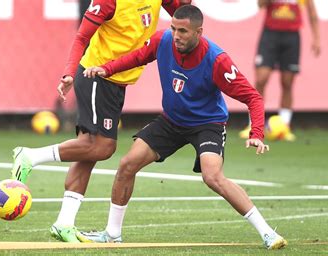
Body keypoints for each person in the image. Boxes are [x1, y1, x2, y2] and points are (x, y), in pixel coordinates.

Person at [79, 5, 288, 249]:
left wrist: (257, 134)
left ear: (199, 32)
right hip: (171, 121)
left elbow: (253, 97)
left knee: (212, 177)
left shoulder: (217, 60)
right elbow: (136, 57)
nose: (176, 35)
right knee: (127, 165)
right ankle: (112, 233)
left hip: (206, 124)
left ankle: (267, 233)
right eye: (173, 28)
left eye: (183, 31)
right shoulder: (163, 40)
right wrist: (107, 68)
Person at [10, 0, 192, 243]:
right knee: (102, 147)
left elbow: (182, 14)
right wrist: (68, 72)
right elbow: (82, 37)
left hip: (117, 80)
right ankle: (30, 156)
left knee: (89, 150)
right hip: (96, 76)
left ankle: (64, 223)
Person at [239, 0, 321, 141]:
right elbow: (260, 5)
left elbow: (312, 12)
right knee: (261, 79)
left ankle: (284, 125)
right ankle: (253, 125)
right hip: (270, 35)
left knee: (287, 82)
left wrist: (317, 38)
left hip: (292, 37)